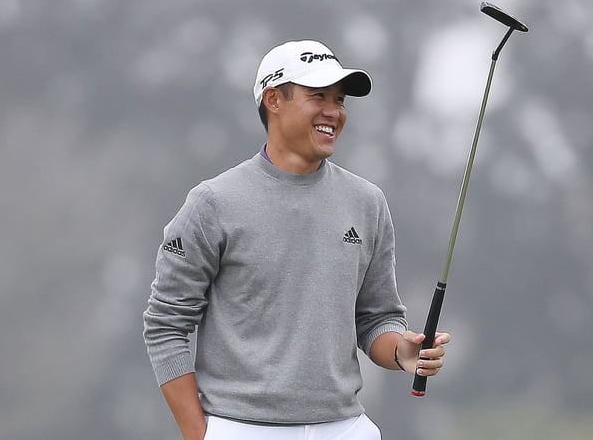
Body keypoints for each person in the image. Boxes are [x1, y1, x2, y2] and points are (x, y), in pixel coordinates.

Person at [143, 39, 451, 440]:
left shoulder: (367, 202)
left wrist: (400, 351)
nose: (333, 112)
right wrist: (196, 432)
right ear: (273, 99)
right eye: (317, 96)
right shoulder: (213, 203)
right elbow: (165, 324)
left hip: (345, 428)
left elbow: (375, 318)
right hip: (240, 427)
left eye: (340, 100)